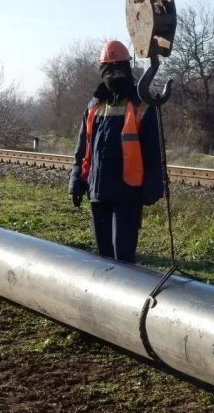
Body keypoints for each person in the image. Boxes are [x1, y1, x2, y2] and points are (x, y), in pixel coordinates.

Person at [68, 40, 164, 263]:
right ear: (102, 71)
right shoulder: (94, 106)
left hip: (127, 195)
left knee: (123, 259)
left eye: (119, 69)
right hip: (97, 193)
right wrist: (76, 181)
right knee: (103, 258)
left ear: (127, 69)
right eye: (109, 70)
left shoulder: (141, 105)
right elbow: (83, 148)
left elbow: (152, 152)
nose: (114, 75)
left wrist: (153, 186)